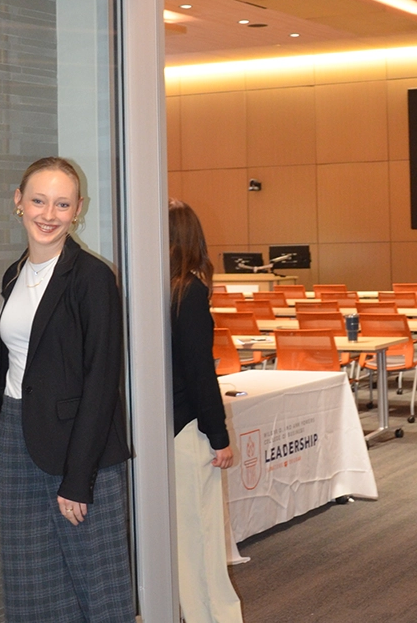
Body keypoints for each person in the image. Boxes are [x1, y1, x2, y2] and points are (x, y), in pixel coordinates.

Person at [0, 157, 134, 621]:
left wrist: (79, 478)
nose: (48, 214)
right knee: (31, 583)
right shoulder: (18, 273)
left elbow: (102, 384)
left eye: (62, 204)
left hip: (80, 449)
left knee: (97, 586)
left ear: (78, 210)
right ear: (19, 202)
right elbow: (17, 346)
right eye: (38, 200)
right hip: (18, 439)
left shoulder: (93, 279)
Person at [168, 199, 243, 623]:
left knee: (181, 535)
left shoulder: (147, 286)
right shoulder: (189, 291)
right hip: (188, 429)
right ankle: (212, 617)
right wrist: (219, 436)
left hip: (162, 426)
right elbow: (200, 372)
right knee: (202, 535)